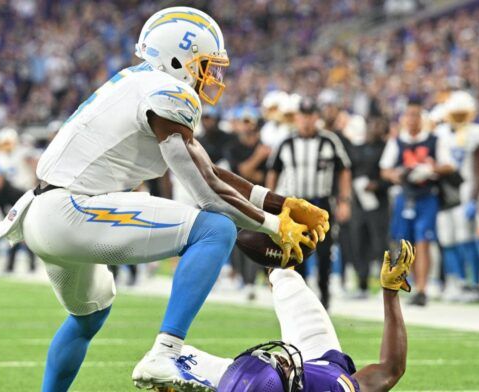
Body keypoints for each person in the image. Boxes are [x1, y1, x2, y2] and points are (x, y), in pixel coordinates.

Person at [0, 7, 329, 392]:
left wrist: (279, 203)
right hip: (70, 211)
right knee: (216, 228)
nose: (212, 76)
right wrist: (271, 225)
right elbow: (205, 191)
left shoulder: (140, 84)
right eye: (205, 64)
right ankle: (166, 351)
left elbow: (208, 169)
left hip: (46, 213)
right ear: (177, 58)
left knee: (88, 318)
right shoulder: (167, 93)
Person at [172, 240, 415, 392]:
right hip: (317, 356)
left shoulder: (236, 383)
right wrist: (390, 293)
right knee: (286, 279)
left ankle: (277, 260)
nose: (281, 357)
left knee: (170, 357)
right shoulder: (329, 386)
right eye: (280, 365)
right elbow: (390, 369)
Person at [266, 97, 352, 309]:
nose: (306, 120)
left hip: (321, 203)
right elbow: (273, 172)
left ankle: (324, 298)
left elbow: (344, 170)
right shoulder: (286, 142)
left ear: (316, 117)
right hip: (295, 204)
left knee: (324, 252)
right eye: (303, 116)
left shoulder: (329, 141)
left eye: (310, 116)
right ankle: (302, 299)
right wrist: (270, 203)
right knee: (297, 253)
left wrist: (344, 201)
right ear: (297, 118)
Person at [380, 98, 456, 306]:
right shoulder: (397, 141)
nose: (412, 119)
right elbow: (385, 169)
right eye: (409, 115)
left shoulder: (433, 139)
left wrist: (430, 169)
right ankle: (415, 285)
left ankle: (423, 288)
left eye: (416, 115)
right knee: (407, 244)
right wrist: (397, 174)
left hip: (426, 195)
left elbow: (449, 165)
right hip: (405, 196)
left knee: (423, 241)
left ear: (422, 118)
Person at [434, 91, 479, 302]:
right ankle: (456, 282)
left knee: (467, 239)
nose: (458, 117)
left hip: (465, 193)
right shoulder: (439, 133)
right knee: (448, 240)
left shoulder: (478, 133)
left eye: (461, 113)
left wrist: (475, 199)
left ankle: (476, 283)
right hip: (444, 195)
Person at [225, 106, 271, 300]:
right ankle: (243, 279)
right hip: (238, 199)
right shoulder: (233, 147)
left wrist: (251, 172)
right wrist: (258, 157)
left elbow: (267, 175)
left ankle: (253, 282)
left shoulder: (264, 144)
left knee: (259, 239)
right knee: (238, 240)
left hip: (260, 201)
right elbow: (242, 172)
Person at [344, 118, 391, 298]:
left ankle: (386, 286)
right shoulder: (357, 148)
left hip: (378, 202)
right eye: (373, 124)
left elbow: (390, 175)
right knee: (359, 242)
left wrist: (377, 185)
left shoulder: (387, 148)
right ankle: (362, 285)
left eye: (379, 124)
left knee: (380, 244)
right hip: (358, 201)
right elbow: (349, 170)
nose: (374, 128)